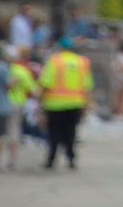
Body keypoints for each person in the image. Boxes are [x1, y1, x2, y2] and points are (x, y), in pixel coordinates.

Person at [37, 37, 93, 169]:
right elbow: (87, 86)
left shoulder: (55, 61)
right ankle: (71, 158)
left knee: (54, 132)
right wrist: (86, 104)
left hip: (55, 104)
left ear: (60, 48)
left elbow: (45, 83)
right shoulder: (82, 62)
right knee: (71, 132)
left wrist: (40, 101)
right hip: (76, 103)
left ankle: (51, 159)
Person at [4, 46, 37, 170]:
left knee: (8, 131)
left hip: (4, 103)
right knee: (14, 130)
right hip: (18, 103)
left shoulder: (3, 69)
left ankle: (7, 159)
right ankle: (12, 159)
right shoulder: (22, 71)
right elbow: (32, 89)